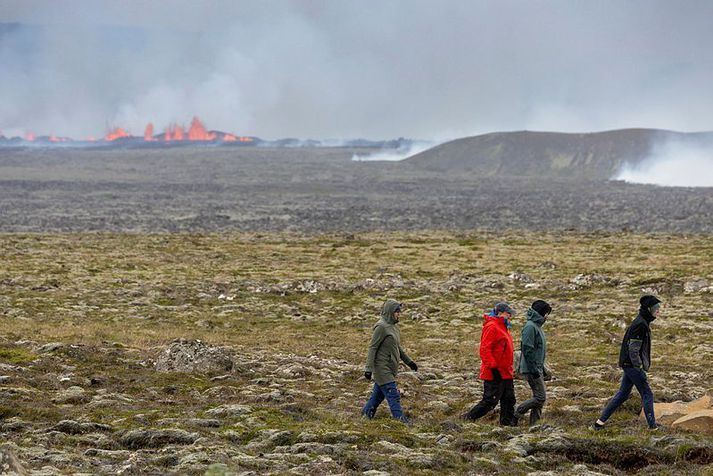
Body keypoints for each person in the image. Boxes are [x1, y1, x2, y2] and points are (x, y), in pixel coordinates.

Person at [593, 295, 662, 430]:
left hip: (628, 365)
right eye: (656, 308)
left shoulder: (642, 322)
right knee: (647, 394)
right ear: (649, 309)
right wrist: (639, 367)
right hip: (632, 366)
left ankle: (598, 424)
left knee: (623, 394)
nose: (658, 311)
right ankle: (653, 427)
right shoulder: (640, 324)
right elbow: (633, 349)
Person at [361, 299, 418, 422]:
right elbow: (373, 347)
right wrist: (368, 369)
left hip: (390, 368)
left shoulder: (394, 327)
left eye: (399, 312)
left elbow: (397, 347)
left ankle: (365, 415)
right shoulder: (381, 327)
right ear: (389, 312)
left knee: (377, 396)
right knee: (393, 395)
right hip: (382, 368)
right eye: (396, 312)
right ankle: (401, 421)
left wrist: (409, 362)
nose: (399, 314)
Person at [464, 302, 516, 425]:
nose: (510, 316)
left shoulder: (503, 327)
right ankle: (467, 419)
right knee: (489, 402)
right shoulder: (492, 326)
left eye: (510, 314)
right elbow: (485, 349)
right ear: (499, 313)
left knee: (509, 400)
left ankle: (506, 425)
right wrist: (493, 368)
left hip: (506, 372)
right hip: (495, 372)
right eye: (507, 313)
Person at [514, 300, 552, 426]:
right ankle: (518, 412)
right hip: (532, 369)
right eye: (546, 313)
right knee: (540, 397)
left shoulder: (536, 326)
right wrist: (534, 370)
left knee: (538, 399)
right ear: (542, 312)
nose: (547, 316)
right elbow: (527, 349)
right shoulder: (530, 327)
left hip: (537, 368)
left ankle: (534, 425)